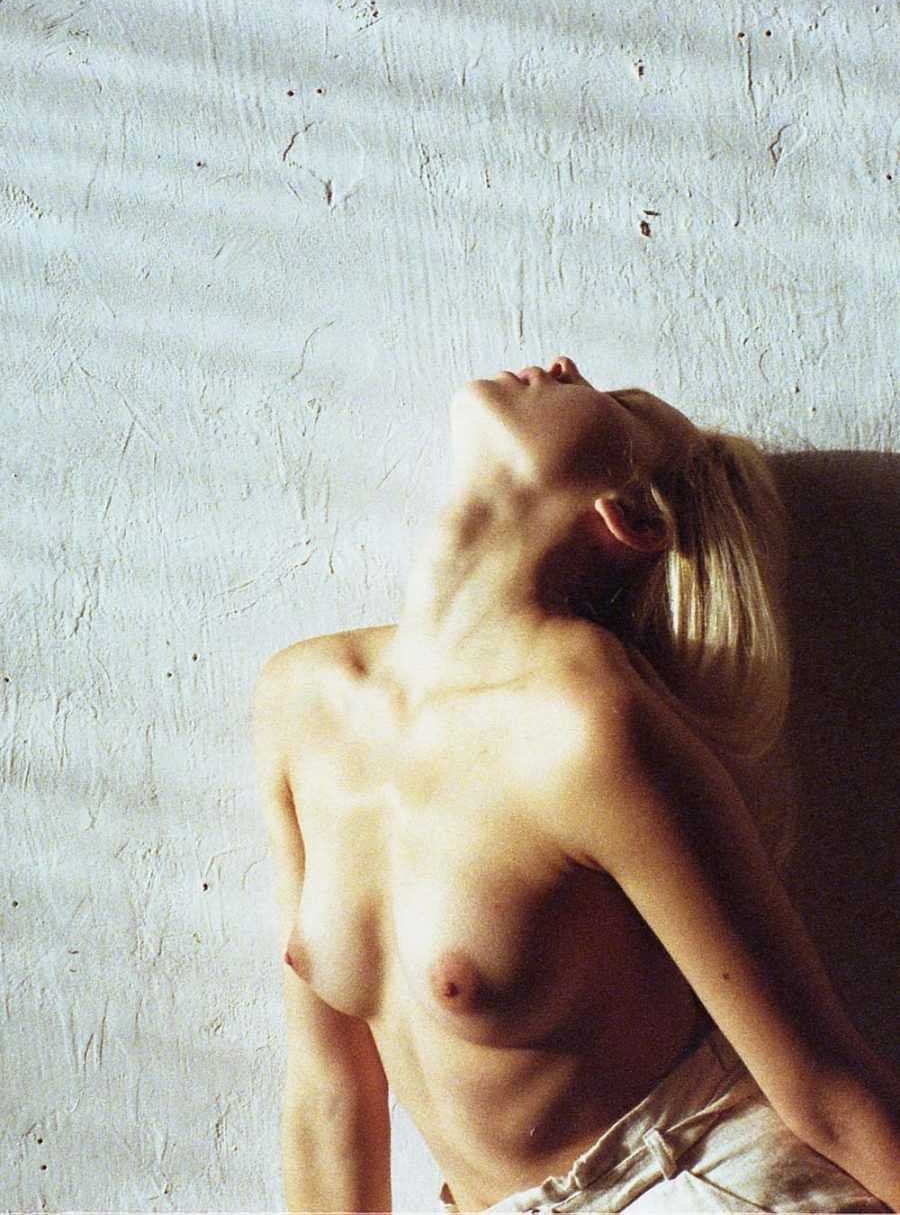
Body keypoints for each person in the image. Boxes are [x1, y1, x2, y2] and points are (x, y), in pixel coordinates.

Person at [253, 355, 900, 1213]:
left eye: (623, 402)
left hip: (686, 1185)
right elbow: (329, 1094)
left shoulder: (588, 724)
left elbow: (821, 1084)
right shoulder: (302, 698)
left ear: (630, 518)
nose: (563, 365)